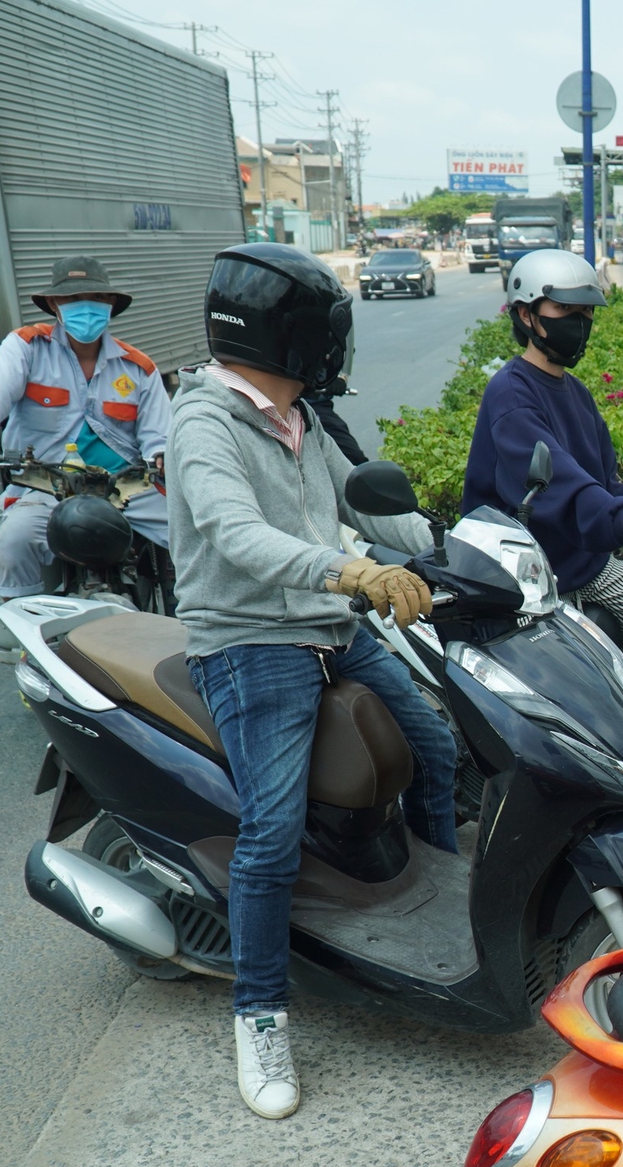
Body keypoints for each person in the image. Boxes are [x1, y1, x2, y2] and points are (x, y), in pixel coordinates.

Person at [166, 242, 459, 1122]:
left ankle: (439, 913)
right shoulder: (205, 422)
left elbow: (366, 501)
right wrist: (350, 572)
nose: (337, 345)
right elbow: (235, 534)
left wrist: (459, 550)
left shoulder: (301, 416)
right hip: (251, 641)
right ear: (286, 335)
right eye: (328, 330)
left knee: (438, 749)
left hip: (332, 628)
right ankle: (259, 1014)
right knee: (272, 832)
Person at [462, 250, 623, 767]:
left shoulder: (574, 392)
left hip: (582, 563)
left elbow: (604, 483)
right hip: (536, 578)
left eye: (586, 313)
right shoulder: (511, 396)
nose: (579, 324)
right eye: (565, 312)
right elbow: (562, 486)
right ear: (526, 315)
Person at [0, 255, 171, 598]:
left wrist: (162, 455)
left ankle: (189, 619)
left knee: (193, 533)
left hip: (125, 491)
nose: (85, 307)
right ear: (55, 305)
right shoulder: (26, 347)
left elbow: (159, 435)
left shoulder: (138, 368)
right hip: (47, 489)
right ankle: (24, 625)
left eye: (96, 298)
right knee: (12, 544)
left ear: (111, 303)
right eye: (73, 299)